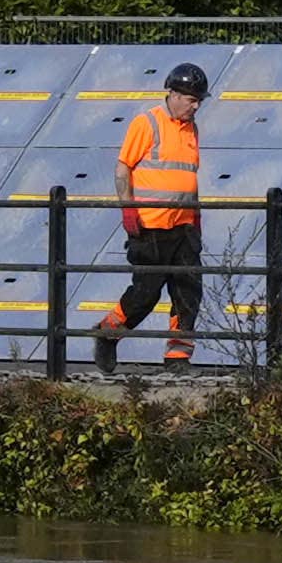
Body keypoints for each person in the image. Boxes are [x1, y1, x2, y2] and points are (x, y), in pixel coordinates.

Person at [100, 60, 210, 369]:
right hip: (150, 226)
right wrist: (128, 210)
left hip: (185, 225)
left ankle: (177, 357)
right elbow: (123, 168)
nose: (196, 106)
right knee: (145, 293)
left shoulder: (192, 129)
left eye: (199, 100)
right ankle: (108, 332)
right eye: (191, 99)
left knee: (188, 291)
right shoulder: (146, 123)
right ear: (173, 94)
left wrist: (196, 216)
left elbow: (189, 176)